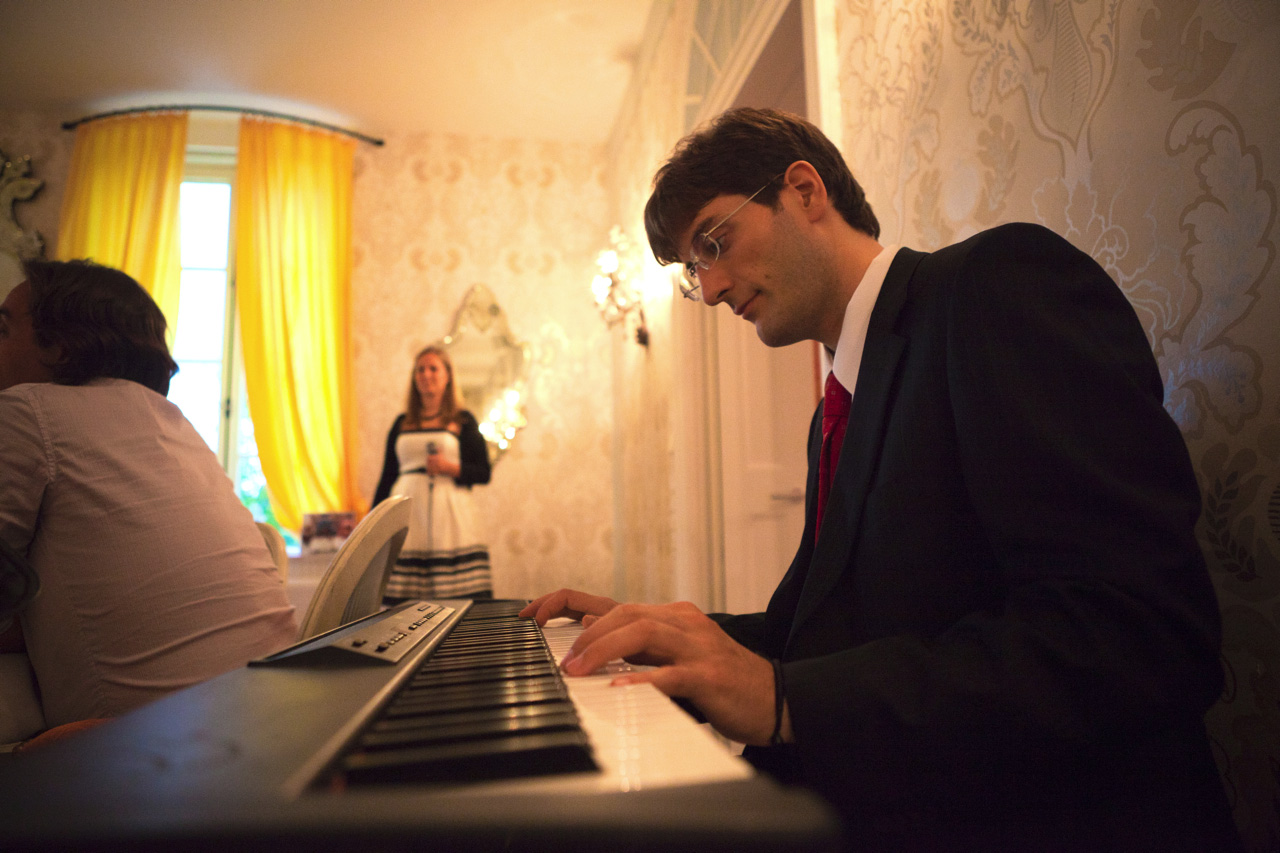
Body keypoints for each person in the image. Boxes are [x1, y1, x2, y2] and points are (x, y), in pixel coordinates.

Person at [521, 108, 1240, 850]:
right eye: (693, 271)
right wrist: (663, 638)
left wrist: (784, 700)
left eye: (713, 242)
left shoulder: (994, 285)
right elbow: (842, 634)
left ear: (804, 191)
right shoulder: (834, 412)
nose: (708, 291)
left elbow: (1140, 636)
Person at [0, 259, 297, 731]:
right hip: (276, 715)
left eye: (4, 329)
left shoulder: (26, 410)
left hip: (147, 747)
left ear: (59, 345)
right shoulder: (173, 422)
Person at [373, 345, 492, 602]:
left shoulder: (463, 421)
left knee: (456, 598)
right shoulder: (401, 423)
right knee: (402, 598)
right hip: (406, 510)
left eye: (433, 368)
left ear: (447, 375)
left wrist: (449, 468)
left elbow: (483, 472)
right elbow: (387, 475)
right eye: (420, 369)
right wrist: (373, 522)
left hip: (450, 515)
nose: (426, 374)